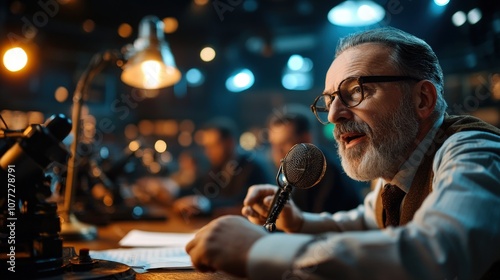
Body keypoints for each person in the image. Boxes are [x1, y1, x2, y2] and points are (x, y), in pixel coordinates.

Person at [185, 27, 500, 279]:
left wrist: (259, 249)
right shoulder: (397, 169)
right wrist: (298, 223)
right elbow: (365, 221)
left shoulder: (474, 152)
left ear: (422, 99)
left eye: (355, 92)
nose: (334, 114)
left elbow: (442, 253)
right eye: (329, 99)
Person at [266, 104, 366, 213]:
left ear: (306, 139)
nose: (277, 152)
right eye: (273, 144)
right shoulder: (292, 173)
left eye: (284, 143)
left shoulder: (328, 174)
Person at [173, 116, 275, 217]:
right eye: (206, 147)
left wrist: (204, 203)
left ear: (230, 142)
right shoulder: (219, 165)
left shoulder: (252, 165)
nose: (208, 152)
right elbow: (202, 188)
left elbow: (241, 202)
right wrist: (174, 190)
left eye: (213, 146)